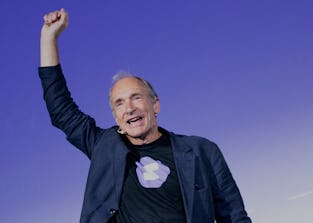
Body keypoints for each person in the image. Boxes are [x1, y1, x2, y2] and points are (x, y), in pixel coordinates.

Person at [39, 8, 252, 223]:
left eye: (136, 97)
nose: (129, 108)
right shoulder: (103, 146)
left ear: (155, 104)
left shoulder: (202, 151)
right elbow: (61, 109)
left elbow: (234, 216)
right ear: (115, 117)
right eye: (119, 103)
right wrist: (48, 38)